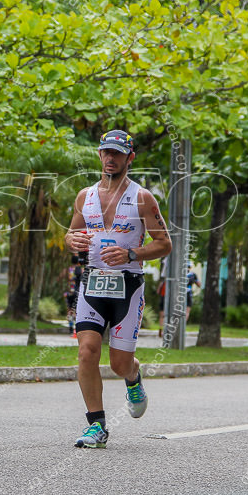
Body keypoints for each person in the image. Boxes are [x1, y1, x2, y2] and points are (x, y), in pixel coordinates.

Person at [65, 130, 172, 448]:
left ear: (130, 158)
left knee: (118, 363)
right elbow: (70, 234)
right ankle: (96, 425)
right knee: (87, 353)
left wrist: (132, 253)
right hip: (93, 282)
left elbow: (164, 243)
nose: (111, 158)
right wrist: (72, 240)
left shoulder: (143, 198)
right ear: (99, 155)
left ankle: (133, 375)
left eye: (118, 153)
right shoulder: (85, 197)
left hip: (128, 286)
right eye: (106, 152)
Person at [63, 255, 83, 337]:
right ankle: (76, 329)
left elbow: (60, 279)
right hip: (78, 292)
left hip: (69, 293)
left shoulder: (67, 270)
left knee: (70, 311)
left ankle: (71, 329)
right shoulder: (81, 270)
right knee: (78, 311)